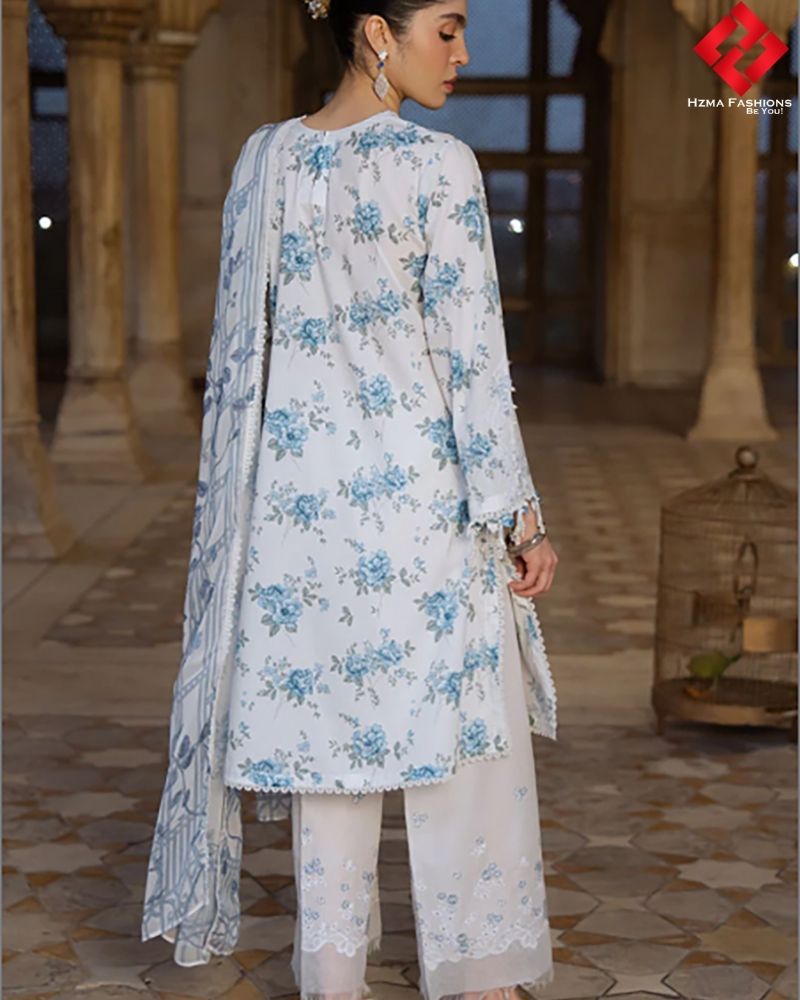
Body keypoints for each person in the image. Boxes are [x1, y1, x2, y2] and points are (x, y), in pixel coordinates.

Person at [141, 1, 560, 998]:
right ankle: (480, 977)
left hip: (296, 513)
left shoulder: (264, 160)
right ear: (378, 32)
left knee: (328, 746)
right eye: (446, 29)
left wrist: (244, 524)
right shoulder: (439, 166)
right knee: (462, 738)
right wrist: (519, 516)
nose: (463, 52)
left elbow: (240, 362)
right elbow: (471, 362)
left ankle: (331, 980)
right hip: (422, 505)